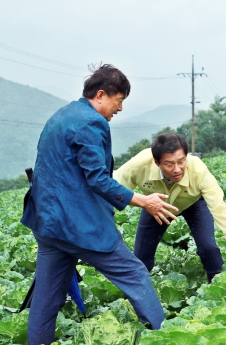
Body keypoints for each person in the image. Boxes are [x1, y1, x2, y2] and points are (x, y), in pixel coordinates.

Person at [20, 64, 178, 345]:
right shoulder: (92, 122)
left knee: (46, 299)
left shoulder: (63, 114)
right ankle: (167, 337)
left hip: (46, 222)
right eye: (118, 102)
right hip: (76, 224)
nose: (119, 109)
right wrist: (143, 201)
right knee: (135, 273)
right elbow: (97, 179)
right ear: (102, 95)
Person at [114, 132, 226, 283]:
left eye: (181, 161)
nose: (177, 169)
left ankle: (219, 286)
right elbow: (110, 187)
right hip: (156, 205)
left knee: (208, 248)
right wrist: (143, 201)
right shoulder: (139, 165)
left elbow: (220, 209)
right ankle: (135, 297)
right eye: (169, 164)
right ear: (157, 162)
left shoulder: (198, 170)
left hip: (193, 202)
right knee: (141, 257)